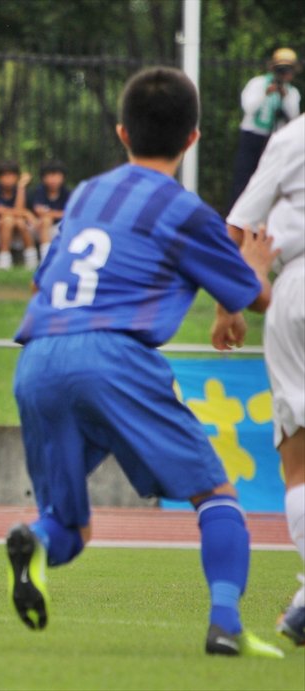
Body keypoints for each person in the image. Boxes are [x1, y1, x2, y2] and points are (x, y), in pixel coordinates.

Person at [5, 66, 284, 659]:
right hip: (112, 357)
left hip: (37, 356)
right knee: (217, 495)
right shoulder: (183, 209)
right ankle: (225, 623)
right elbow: (252, 294)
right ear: (194, 138)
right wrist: (255, 265)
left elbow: (44, 280)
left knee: (69, 528)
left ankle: (32, 539)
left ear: (122, 132)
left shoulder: (86, 194)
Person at [226, 113, 305, 647]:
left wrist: (227, 301)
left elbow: (240, 226)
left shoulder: (294, 135)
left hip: (298, 287)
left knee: (300, 460)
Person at [229, 48, 301, 210]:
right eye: (281, 69)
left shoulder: (292, 92)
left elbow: (293, 118)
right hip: (252, 137)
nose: (284, 74)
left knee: (270, 180)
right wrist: (265, 93)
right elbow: (249, 108)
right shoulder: (258, 84)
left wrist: (284, 96)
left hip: (274, 141)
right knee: (244, 178)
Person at [0, 160, 38, 270]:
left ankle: (31, 259)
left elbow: (19, 211)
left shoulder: (23, 191)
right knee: (8, 220)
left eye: (11, 176)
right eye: (4, 176)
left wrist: (21, 187)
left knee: (19, 221)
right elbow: (0, 211)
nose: (8, 179)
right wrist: (26, 213)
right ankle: (4, 259)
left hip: (21, 226)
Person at [30, 160, 70, 262]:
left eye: (56, 176)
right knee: (46, 220)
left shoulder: (67, 192)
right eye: (49, 176)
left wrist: (50, 213)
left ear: (63, 177)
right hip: (40, 226)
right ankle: (45, 257)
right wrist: (56, 214)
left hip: (61, 226)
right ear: (43, 178)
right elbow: (38, 210)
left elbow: (69, 213)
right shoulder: (39, 191)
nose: (53, 180)